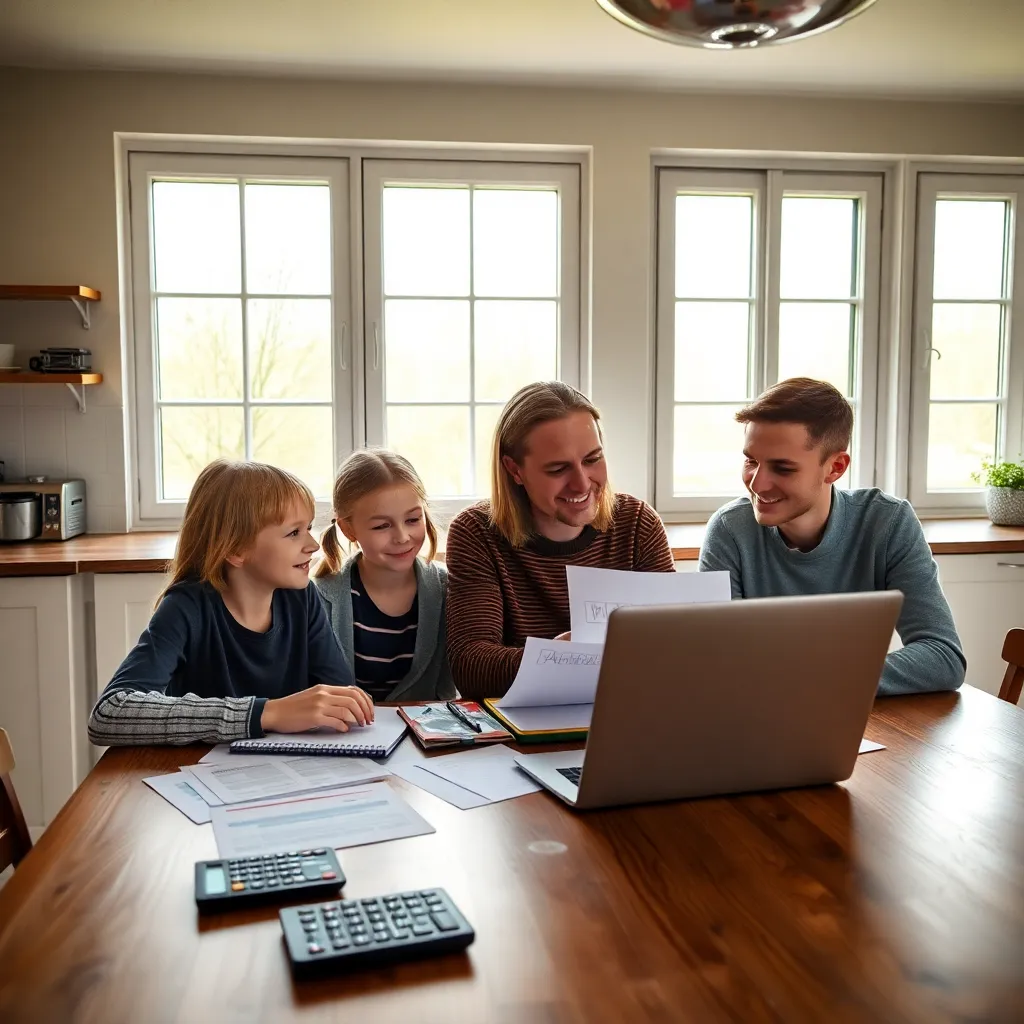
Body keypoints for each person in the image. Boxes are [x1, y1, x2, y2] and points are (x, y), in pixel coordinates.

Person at [698, 377, 965, 696]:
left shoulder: (888, 522)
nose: (757, 484)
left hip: (854, 716)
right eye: (751, 461)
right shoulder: (729, 530)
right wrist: (833, 676)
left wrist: (818, 678)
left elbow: (943, 657)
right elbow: (721, 663)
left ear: (836, 467)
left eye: (782, 468)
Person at [88, 460, 374, 746]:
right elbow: (109, 713)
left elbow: (341, 696)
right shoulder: (185, 608)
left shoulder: (302, 598)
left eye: (309, 527)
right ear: (236, 550)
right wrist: (266, 713)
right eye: (293, 532)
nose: (313, 545)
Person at [446, 381, 675, 699]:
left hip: (624, 710)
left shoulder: (637, 523)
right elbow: (471, 666)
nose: (582, 484)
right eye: (558, 469)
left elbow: (674, 645)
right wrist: (559, 658)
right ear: (514, 470)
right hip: (520, 726)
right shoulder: (476, 532)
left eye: (592, 459)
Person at [312, 448, 454, 701]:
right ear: (348, 529)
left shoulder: (449, 589)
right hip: (346, 727)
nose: (402, 537)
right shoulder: (316, 597)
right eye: (382, 526)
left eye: (413, 519)